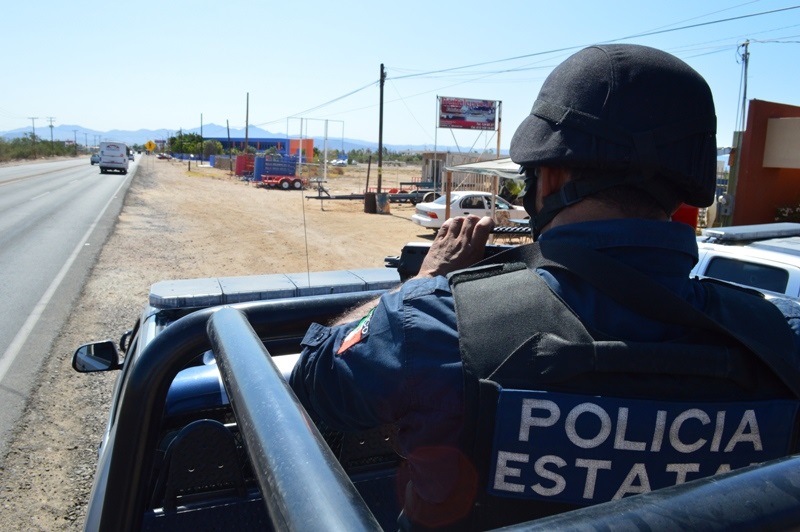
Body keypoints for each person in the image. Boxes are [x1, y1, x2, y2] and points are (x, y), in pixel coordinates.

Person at [290, 44, 800, 530]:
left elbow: (315, 381)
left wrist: (424, 284)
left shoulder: (433, 326)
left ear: (550, 179)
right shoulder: (779, 336)